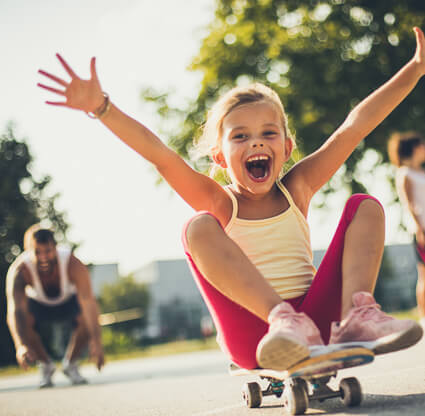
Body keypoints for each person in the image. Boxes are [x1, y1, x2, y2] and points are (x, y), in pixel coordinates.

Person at [37, 27, 425, 372]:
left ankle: (357, 314)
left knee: (365, 205)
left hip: (320, 321)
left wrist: (417, 68)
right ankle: (281, 317)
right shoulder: (222, 202)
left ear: (287, 148)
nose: (256, 141)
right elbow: (159, 153)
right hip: (256, 335)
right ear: (220, 158)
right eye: (240, 136)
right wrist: (103, 109)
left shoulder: (298, 188)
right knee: (198, 226)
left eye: (268, 133)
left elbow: (355, 126)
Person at [6, 225, 105, 388]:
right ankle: (46, 365)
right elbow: (15, 310)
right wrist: (21, 345)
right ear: (28, 251)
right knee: (24, 321)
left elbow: (89, 302)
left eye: (48, 251)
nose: (44, 257)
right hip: (38, 303)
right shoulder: (20, 271)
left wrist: (96, 341)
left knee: (87, 318)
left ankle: (71, 364)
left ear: (56, 248)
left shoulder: (73, 264)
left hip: (68, 301)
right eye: (37, 252)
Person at [388, 132, 425, 329]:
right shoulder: (404, 174)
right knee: (424, 275)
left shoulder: (422, 173)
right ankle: (424, 317)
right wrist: (419, 229)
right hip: (421, 229)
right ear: (413, 148)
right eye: (421, 145)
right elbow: (409, 204)